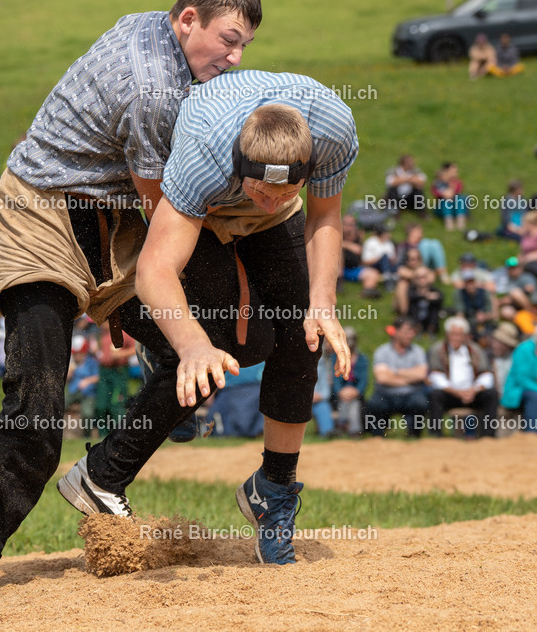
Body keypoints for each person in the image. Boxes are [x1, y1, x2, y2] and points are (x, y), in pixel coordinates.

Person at [0, 0, 263, 602]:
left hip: (106, 221)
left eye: (245, 44)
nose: (235, 57)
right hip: (40, 216)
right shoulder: (153, 87)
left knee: (210, 346)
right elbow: (165, 207)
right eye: (228, 40)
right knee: (38, 406)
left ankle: (102, 476)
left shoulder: (159, 34)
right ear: (188, 19)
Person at [60, 71, 357, 566]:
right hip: (199, 206)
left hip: (260, 210)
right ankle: (123, 432)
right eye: (261, 189)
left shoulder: (333, 132)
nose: (270, 199)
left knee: (304, 333)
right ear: (239, 163)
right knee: (221, 344)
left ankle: (273, 490)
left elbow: (324, 215)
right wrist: (189, 344)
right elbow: (156, 269)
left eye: (287, 189)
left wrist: (322, 302)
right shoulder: (204, 151)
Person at [427, 316, 499, 438]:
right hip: (450, 394)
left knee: (491, 394)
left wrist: (474, 390)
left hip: (472, 394)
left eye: (459, 334)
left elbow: (486, 374)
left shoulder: (475, 350)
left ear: (465, 336)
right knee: (435, 395)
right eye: (453, 334)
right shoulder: (438, 350)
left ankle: (488, 436)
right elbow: (435, 376)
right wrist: (456, 392)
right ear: (447, 335)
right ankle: (436, 435)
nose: (456, 338)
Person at [366, 316, 430, 437]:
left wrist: (394, 372)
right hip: (386, 394)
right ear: (396, 332)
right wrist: (410, 379)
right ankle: (377, 437)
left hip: (411, 394)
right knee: (375, 403)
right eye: (407, 332)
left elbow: (422, 374)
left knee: (420, 402)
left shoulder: (418, 351)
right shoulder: (382, 351)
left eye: (412, 332)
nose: (410, 335)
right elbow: (382, 378)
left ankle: (414, 436)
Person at [339, 213, 381, 298]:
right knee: (339, 251)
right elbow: (333, 244)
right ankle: (338, 283)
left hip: (354, 269)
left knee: (373, 273)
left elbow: (361, 252)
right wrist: (348, 245)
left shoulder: (358, 235)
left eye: (352, 224)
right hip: (339, 270)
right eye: (346, 224)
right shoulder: (338, 234)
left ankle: (368, 290)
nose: (349, 227)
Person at [431, 162, 467, 231]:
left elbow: (456, 191)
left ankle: (460, 221)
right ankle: (449, 223)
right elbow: (436, 193)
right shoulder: (437, 183)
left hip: (455, 207)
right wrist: (444, 193)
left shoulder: (457, 182)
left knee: (460, 199)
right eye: (453, 170)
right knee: (445, 201)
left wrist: (451, 189)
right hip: (442, 209)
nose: (456, 172)